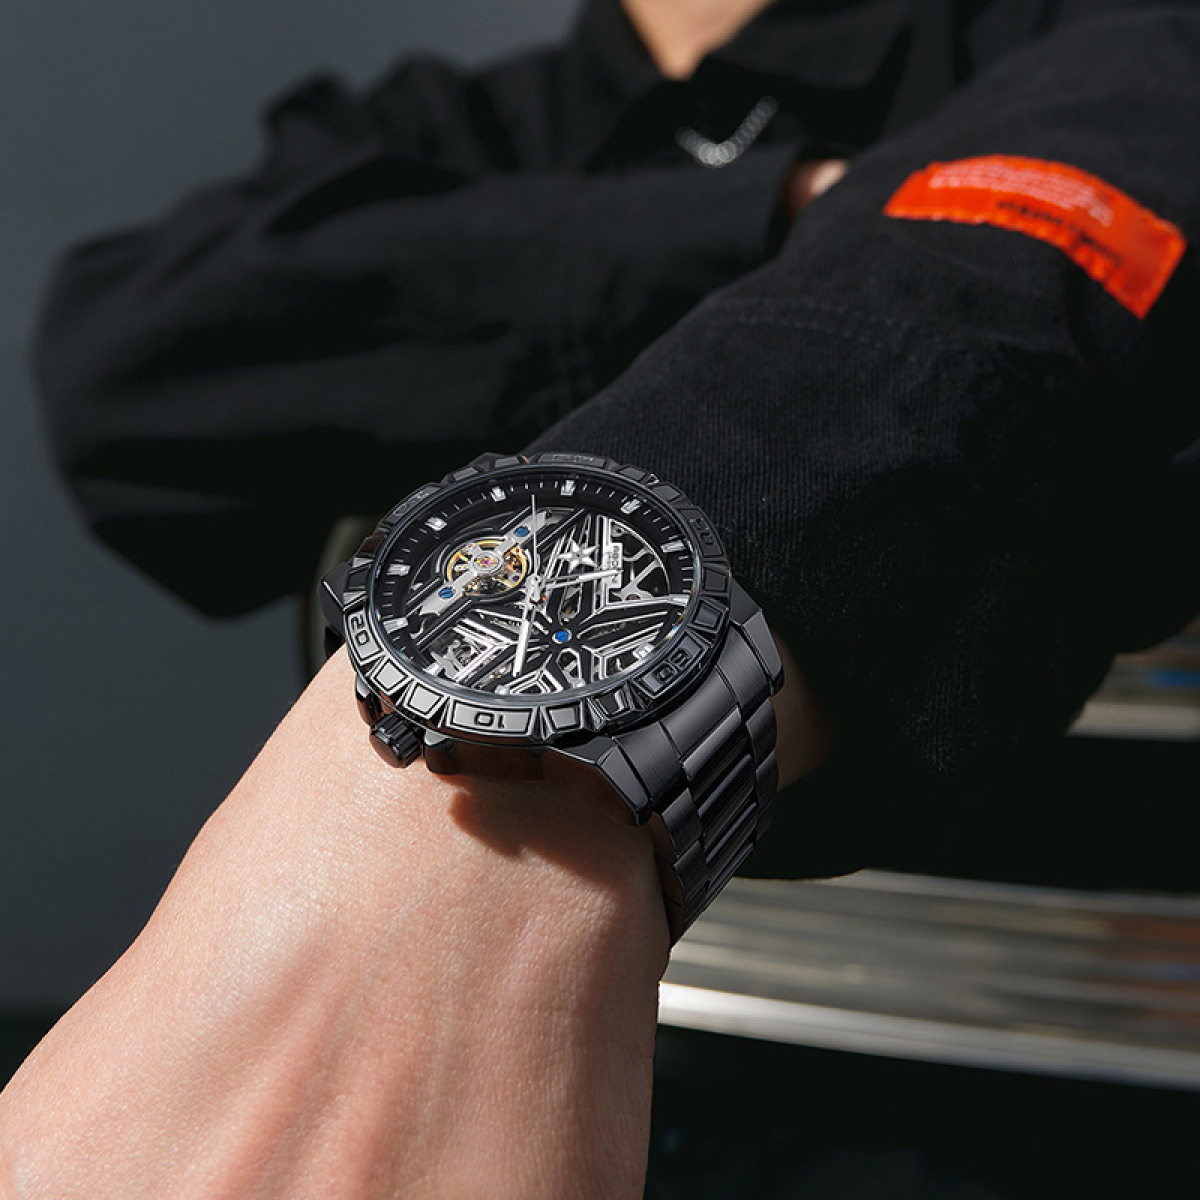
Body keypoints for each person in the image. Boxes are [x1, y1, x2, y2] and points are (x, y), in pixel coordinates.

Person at [5, 0, 1199, 1193]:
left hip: (996, 1098)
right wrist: (789, 215)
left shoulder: (1099, 35)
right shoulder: (434, 122)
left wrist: (523, 803)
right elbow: (131, 363)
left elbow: (1026, 257)